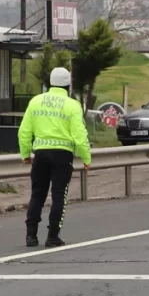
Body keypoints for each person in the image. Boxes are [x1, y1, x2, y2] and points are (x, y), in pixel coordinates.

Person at [18, 67, 91, 248]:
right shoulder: (72, 105)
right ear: (68, 84)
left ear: (50, 82)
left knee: (37, 194)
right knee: (59, 196)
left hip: (40, 155)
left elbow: (24, 131)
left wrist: (25, 154)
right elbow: (80, 135)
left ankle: (31, 236)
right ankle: (52, 237)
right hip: (62, 155)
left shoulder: (36, 102)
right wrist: (86, 157)